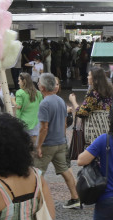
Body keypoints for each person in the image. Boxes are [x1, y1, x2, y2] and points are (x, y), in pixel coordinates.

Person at [34, 73, 81, 209]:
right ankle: (75, 197)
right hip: (61, 142)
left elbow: (44, 128)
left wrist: (38, 146)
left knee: (36, 172)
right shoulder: (60, 100)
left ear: (42, 87)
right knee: (65, 171)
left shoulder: (44, 104)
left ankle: (36, 201)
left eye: (39, 83)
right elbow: (65, 123)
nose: (38, 85)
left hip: (48, 144)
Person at [13, 73, 43, 142]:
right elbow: (41, 105)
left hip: (23, 122)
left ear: (23, 82)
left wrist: (12, 100)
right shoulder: (38, 93)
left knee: (23, 143)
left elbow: (18, 106)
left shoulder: (20, 93)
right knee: (33, 143)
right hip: (35, 121)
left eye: (19, 80)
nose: (18, 83)